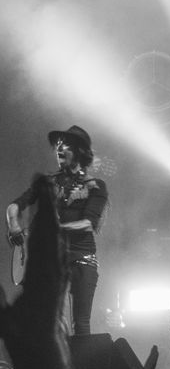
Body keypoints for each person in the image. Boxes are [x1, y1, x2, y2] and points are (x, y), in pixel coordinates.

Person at [5, 125, 108, 336]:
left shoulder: (95, 186)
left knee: (81, 324)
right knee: (50, 322)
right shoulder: (48, 182)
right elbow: (15, 206)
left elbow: (88, 224)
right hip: (51, 261)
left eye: (66, 145)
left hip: (81, 258)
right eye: (58, 145)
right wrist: (13, 224)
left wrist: (51, 230)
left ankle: (82, 368)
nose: (59, 150)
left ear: (80, 151)